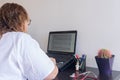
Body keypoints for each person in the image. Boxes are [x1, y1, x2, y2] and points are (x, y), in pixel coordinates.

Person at [0, 3, 58, 80]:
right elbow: (50, 75)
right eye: (28, 22)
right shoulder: (20, 39)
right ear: (21, 21)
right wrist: (52, 63)